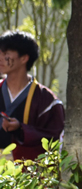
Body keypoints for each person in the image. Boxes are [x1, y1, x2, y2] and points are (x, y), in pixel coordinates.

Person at [0, 30, 64, 161]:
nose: (0, 57)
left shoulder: (46, 100)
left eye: (5, 53)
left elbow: (54, 137)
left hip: (26, 174)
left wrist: (21, 130)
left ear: (24, 58)